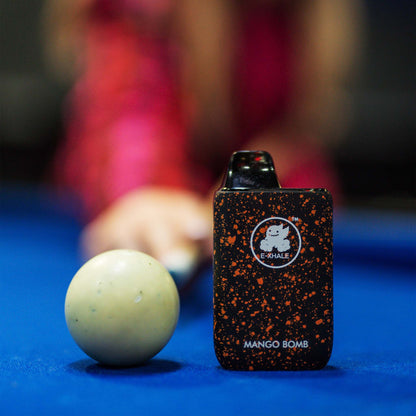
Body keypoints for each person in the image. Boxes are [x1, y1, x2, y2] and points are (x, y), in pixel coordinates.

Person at [43, 0, 362, 275]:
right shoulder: (146, 9)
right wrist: (144, 194)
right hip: (148, 204)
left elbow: (300, 141)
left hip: (229, 223)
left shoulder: (309, 18)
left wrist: (248, 197)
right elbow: (132, 107)